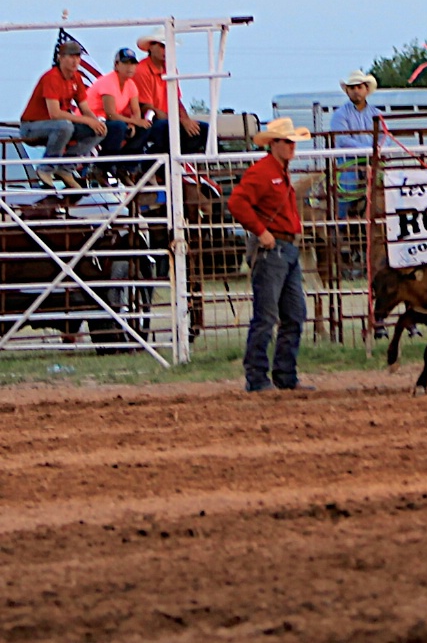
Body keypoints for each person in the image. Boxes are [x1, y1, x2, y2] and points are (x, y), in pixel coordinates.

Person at [228, 117, 315, 393]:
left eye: (293, 143)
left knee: (293, 314)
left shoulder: (277, 170)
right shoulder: (263, 172)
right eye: (287, 142)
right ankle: (258, 377)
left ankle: (283, 375)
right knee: (267, 315)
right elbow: (237, 203)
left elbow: (240, 203)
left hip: (284, 248)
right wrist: (260, 230)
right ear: (274, 143)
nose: (292, 147)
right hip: (274, 248)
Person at [19, 40, 106, 189]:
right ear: (60, 58)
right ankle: (46, 169)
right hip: (31, 127)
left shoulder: (77, 78)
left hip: (59, 126)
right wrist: (86, 120)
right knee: (64, 126)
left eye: (77, 57)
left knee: (99, 131)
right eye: (70, 56)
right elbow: (55, 113)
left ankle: (65, 168)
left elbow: (85, 108)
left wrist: (96, 123)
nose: (75, 61)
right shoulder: (51, 77)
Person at [134, 27, 210, 156]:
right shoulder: (142, 70)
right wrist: (181, 121)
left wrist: (186, 120)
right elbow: (147, 108)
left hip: (169, 119)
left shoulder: (170, 69)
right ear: (151, 47)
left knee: (204, 130)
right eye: (163, 46)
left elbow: (176, 99)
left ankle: (172, 165)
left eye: (169, 46)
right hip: (150, 121)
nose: (167, 50)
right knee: (164, 129)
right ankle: (157, 165)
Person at [330, 70, 393, 217]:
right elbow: (342, 140)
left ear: (366, 89)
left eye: (359, 87)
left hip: (374, 159)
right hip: (349, 161)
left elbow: (386, 136)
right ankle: (339, 223)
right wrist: (370, 149)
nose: (356, 91)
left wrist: (379, 149)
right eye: (352, 88)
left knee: (391, 186)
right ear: (347, 91)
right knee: (346, 189)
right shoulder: (340, 114)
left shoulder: (376, 113)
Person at [84, 48, 151, 184]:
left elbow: (136, 110)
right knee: (118, 127)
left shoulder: (131, 84)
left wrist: (133, 124)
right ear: (116, 65)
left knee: (145, 128)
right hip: (92, 121)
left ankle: (124, 167)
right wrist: (134, 122)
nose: (130, 67)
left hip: (108, 122)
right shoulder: (108, 82)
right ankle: (100, 168)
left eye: (133, 63)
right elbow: (110, 114)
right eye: (126, 63)